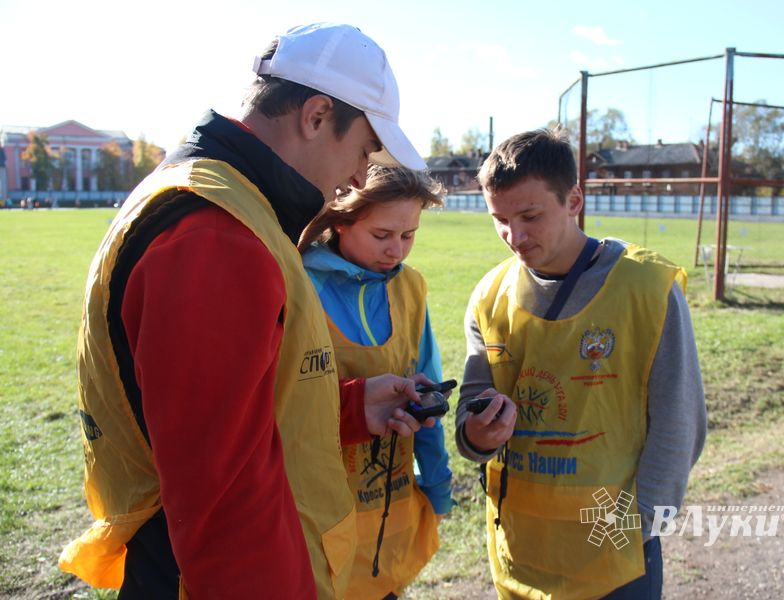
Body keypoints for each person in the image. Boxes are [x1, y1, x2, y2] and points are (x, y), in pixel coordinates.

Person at [59, 23, 433, 599]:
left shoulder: (227, 206)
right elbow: (223, 501)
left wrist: (353, 407)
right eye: (363, 149)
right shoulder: (217, 234)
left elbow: (238, 417)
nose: (361, 175)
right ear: (315, 115)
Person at [455, 128, 706, 599]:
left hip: (614, 559)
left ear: (573, 200)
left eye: (530, 215)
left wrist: (641, 525)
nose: (515, 236)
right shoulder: (489, 296)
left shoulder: (647, 289)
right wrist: (476, 433)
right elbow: (471, 415)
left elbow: (679, 421)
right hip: (521, 556)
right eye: (499, 219)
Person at [299, 165, 452, 598]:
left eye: (408, 236)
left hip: (391, 509)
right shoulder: (299, 285)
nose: (396, 251)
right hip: (318, 521)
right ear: (341, 221)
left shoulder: (411, 287)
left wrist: (438, 484)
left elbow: (430, 389)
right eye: (382, 235)